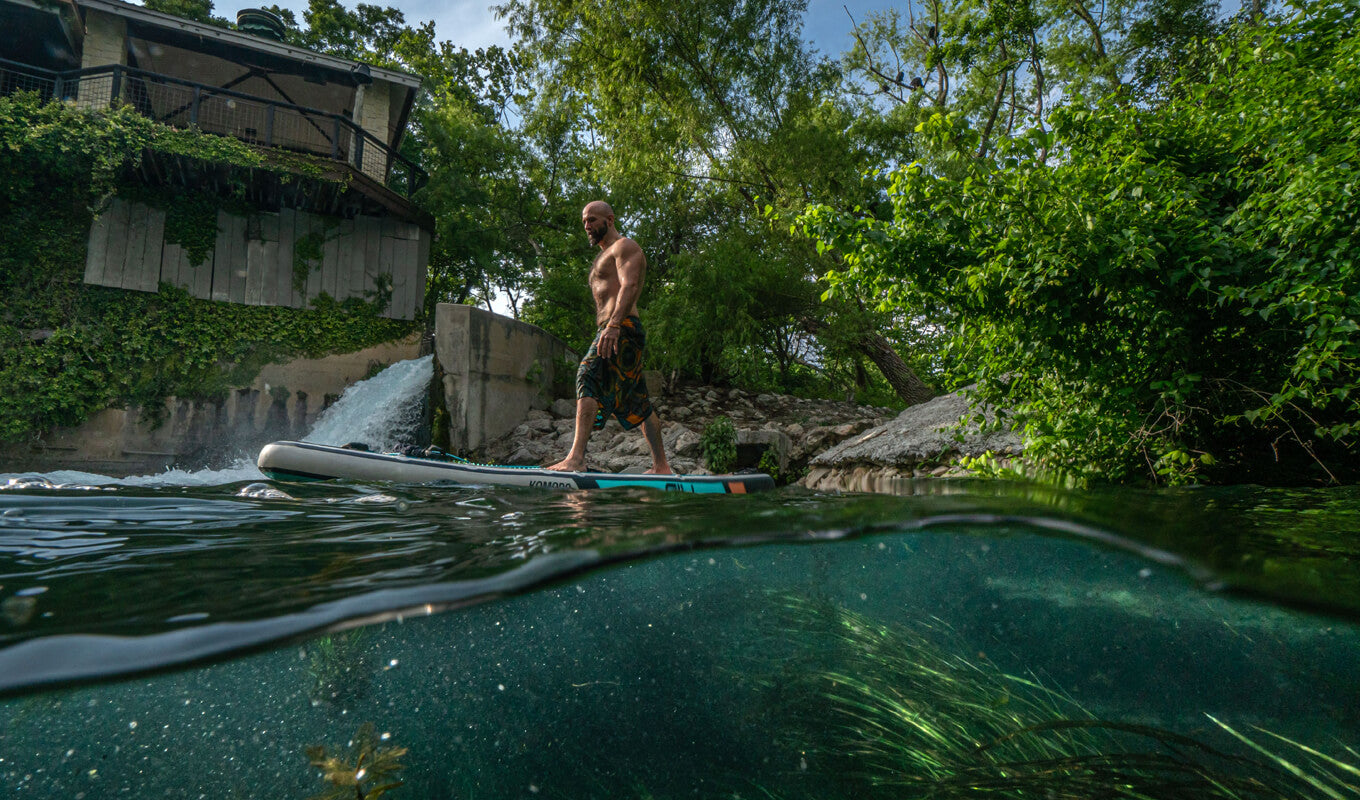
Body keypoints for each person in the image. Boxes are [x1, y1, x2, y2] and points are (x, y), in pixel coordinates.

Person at [547, 201, 673, 474]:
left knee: (586, 375)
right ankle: (661, 466)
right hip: (617, 329)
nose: (587, 226)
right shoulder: (601, 256)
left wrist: (613, 325)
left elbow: (630, 285)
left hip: (621, 327)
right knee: (637, 401)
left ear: (610, 219)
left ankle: (576, 458)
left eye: (592, 220)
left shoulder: (625, 247)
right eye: (584, 222)